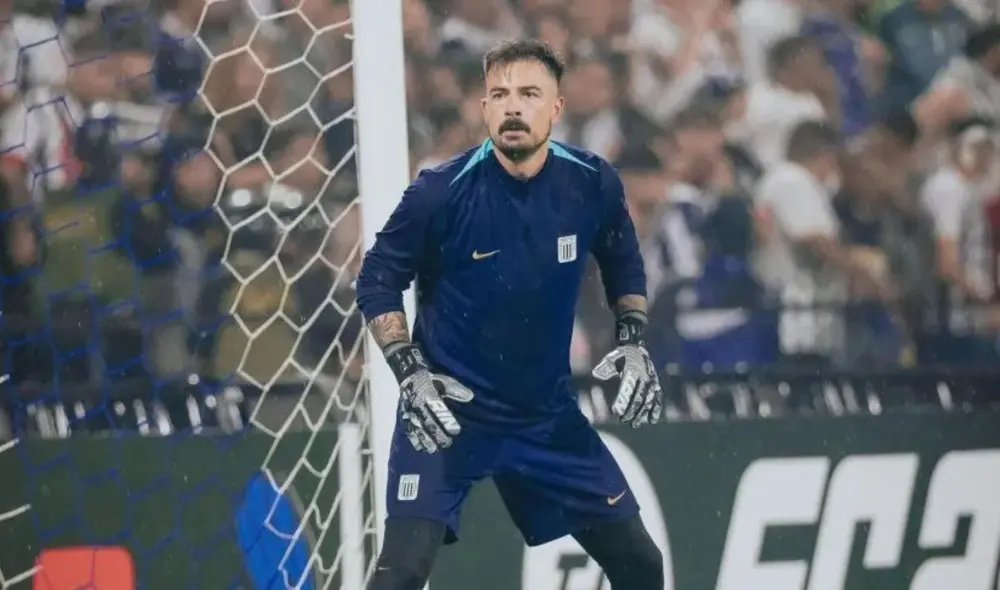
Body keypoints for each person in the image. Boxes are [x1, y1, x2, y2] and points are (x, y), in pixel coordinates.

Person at [355, 39, 664, 589]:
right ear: (484, 109)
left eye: (528, 93)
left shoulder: (590, 181)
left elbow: (623, 261)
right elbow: (377, 281)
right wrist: (410, 372)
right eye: (499, 94)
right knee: (398, 574)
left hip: (544, 417)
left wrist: (633, 339)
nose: (512, 107)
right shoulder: (438, 192)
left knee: (642, 564)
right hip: (447, 412)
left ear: (556, 107)